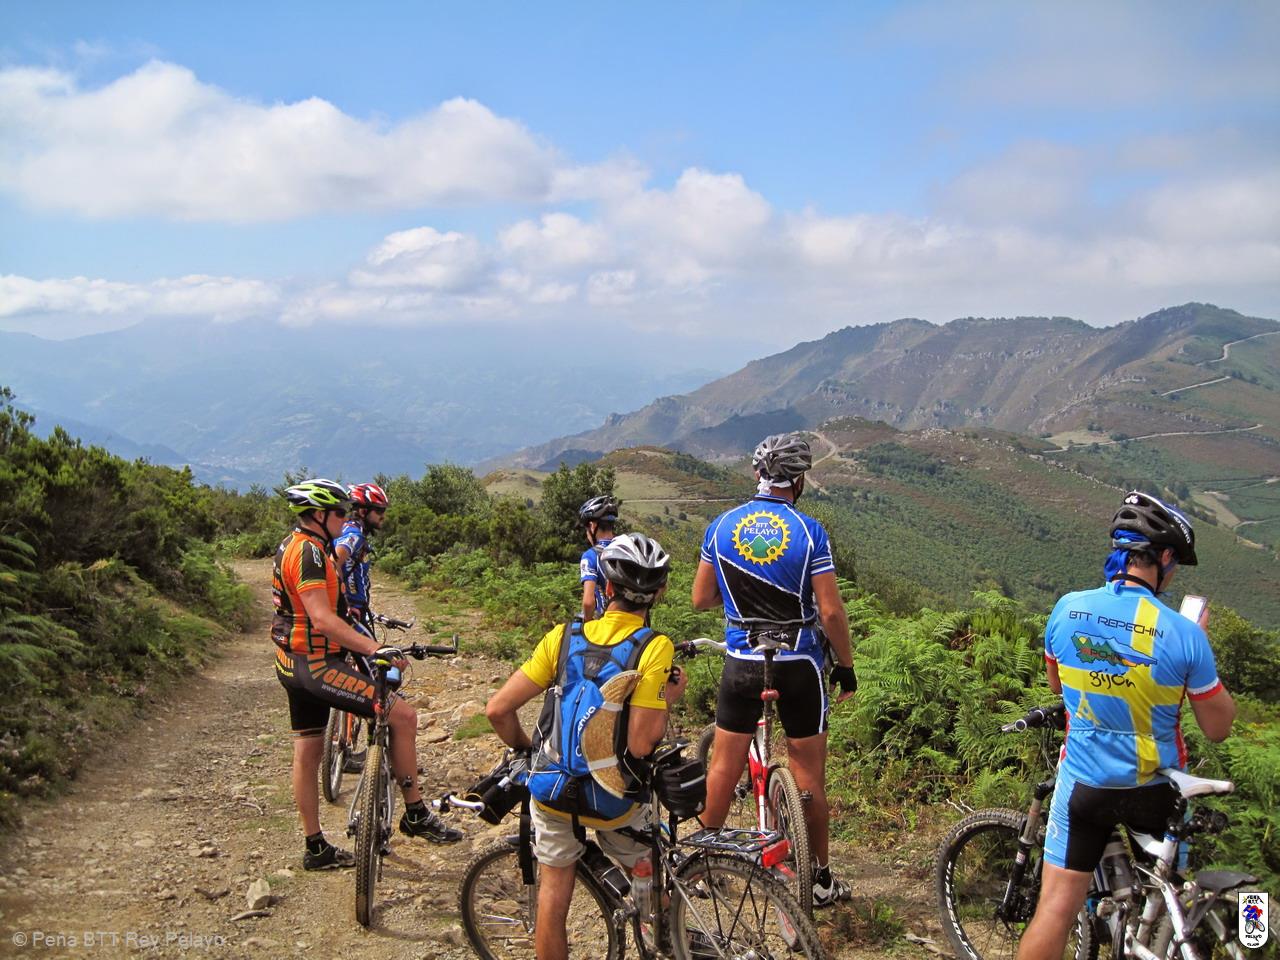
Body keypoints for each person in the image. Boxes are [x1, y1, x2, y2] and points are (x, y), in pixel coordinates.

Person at [1017, 491, 1236, 960]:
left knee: (1055, 910)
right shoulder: (1184, 633)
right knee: (1171, 901)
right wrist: (1197, 651)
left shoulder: (1067, 609)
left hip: (1086, 784)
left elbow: (1058, 685)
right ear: (1165, 558)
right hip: (1158, 788)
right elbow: (1218, 728)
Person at [486, 533, 687, 960]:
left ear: (607, 587)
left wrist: (528, 751)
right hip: (614, 800)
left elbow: (498, 710)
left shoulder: (562, 637)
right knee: (647, 867)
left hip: (552, 791)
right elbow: (641, 742)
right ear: (660, 593)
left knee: (553, 894)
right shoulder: (654, 647)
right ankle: (663, 932)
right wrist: (669, 698)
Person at [692, 433, 857, 908]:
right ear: (798, 480)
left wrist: (742, 602)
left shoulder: (721, 527)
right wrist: (846, 667)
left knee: (724, 764)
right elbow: (831, 612)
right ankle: (820, 880)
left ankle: (703, 865)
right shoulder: (810, 531)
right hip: (799, 664)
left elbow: (701, 598)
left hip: (743, 660)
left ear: (757, 474)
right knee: (809, 778)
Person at [271, 479, 461, 871]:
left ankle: (315, 847)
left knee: (307, 751)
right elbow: (323, 619)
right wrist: (375, 649)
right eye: (339, 513)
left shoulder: (291, 544)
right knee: (403, 716)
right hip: (317, 665)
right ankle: (415, 813)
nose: (346, 519)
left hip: (290, 663)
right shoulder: (310, 553)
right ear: (319, 515)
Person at [333, 482, 388, 634]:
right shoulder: (354, 534)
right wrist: (344, 604)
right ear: (363, 511)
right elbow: (332, 563)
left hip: (355, 608)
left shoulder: (350, 529)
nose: (383, 516)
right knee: (372, 649)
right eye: (379, 511)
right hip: (351, 611)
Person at [577, 494, 619, 622]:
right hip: (636, 625)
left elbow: (588, 603)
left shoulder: (590, 556)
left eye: (586, 530)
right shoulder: (628, 548)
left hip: (608, 625)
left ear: (592, 526)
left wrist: (587, 623)